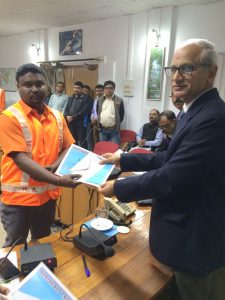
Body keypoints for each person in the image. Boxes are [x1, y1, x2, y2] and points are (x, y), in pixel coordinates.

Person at [99, 39, 225, 300]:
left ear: (211, 72)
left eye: (187, 68)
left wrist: (118, 187)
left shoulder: (213, 117)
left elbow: (171, 177)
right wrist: (123, 160)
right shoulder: (193, 111)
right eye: (173, 69)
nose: (176, 77)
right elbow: (170, 157)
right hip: (186, 232)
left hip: (194, 239)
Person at [0, 64, 80, 247]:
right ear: (18, 86)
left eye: (39, 83)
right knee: (15, 248)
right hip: (18, 201)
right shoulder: (9, 117)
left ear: (47, 85)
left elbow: (70, 147)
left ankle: (40, 274)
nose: (35, 89)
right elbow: (21, 160)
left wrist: (54, 165)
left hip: (47, 198)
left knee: (43, 243)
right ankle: (10, 277)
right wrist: (59, 180)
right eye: (28, 85)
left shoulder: (58, 117)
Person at [97, 80, 124, 145]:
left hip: (114, 131)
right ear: (104, 89)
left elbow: (121, 115)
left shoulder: (119, 100)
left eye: (110, 88)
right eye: (106, 88)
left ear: (114, 89)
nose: (108, 90)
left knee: (114, 150)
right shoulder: (100, 99)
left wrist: (116, 124)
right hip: (102, 130)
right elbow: (97, 111)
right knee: (103, 149)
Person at [64, 81, 89, 147]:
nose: (76, 89)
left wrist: (72, 117)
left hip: (80, 124)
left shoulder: (86, 98)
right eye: (75, 88)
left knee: (82, 142)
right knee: (72, 141)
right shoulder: (71, 97)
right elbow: (66, 109)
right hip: (71, 123)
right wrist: (66, 116)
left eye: (78, 88)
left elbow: (84, 111)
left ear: (82, 89)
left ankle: (83, 156)